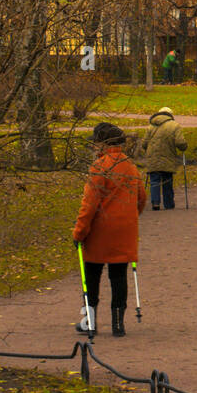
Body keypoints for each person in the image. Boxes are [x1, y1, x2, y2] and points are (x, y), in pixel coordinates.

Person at [72, 122, 147, 337]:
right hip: (124, 230)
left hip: (99, 231)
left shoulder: (99, 167)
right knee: (118, 277)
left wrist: (79, 232)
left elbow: (89, 205)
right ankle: (118, 324)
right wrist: (129, 217)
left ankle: (89, 322)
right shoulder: (130, 166)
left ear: (102, 144)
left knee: (91, 277)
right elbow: (141, 198)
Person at [140, 106, 188, 210]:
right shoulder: (175, 126)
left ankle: (155, 203)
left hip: (153, 158)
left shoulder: (151, 126)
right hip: (168, 157)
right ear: (170, 115)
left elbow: (144, 144)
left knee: (154, 181)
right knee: (167, 180)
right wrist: (184, 147)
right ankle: (169, 204)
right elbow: (180, 142)